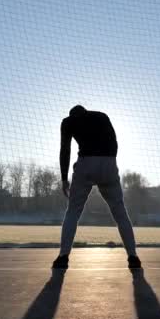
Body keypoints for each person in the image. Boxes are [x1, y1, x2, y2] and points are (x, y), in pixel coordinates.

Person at [52, 105, 141, 269]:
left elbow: (65, 149)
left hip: (86, 162)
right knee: (120, 212)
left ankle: (63, 257)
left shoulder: (68, 121)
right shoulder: (102, 116)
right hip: (109, 162)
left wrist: (64, 178)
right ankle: (133, 257)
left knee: (73, 211)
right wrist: (109, 162)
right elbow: (114, 142)